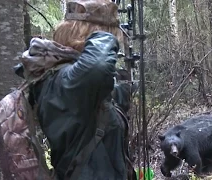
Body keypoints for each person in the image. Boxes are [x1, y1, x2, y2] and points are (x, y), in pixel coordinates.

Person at [14, 0, 136, 179]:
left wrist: (122, 91)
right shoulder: (65, 80)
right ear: (89, 36)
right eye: (112, 36)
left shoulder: (62, 80)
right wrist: (104, 32)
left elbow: (88, 115)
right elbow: (98, 65)